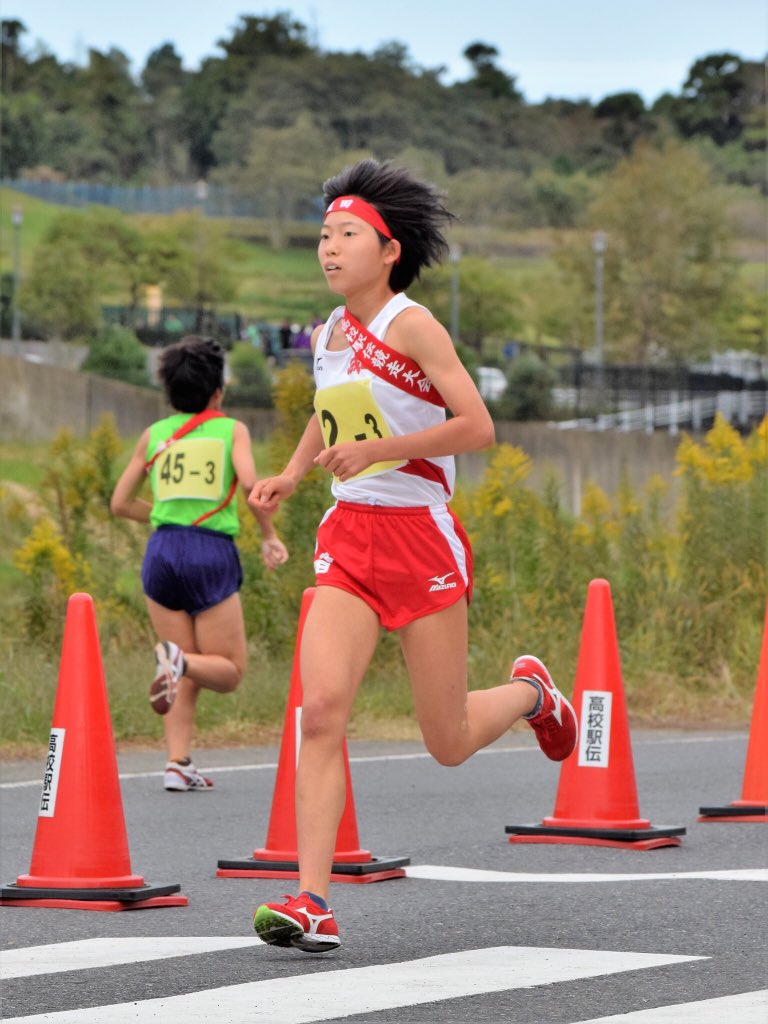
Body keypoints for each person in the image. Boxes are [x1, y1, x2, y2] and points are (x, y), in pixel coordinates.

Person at [247, 159, 577, 953]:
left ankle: (533, 695)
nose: (329, 248)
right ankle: (312, 899)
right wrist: (292, 474)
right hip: (349, 538)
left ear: (388, 249)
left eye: (347, 234)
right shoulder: (325, 331)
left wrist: (384, 449)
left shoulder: (413, 325)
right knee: (320, 712)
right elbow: (331, 415)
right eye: (323, 235)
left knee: (449, 739)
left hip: (421, 537)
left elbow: (477, 427)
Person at [111, 335, 288, 792]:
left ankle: (176, 762)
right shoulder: (232, 430)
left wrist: (166, 515)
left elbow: (119, 502)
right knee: (228, 671)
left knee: (184, 667)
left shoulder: (155, 435)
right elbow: (252, 487)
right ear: (217, 393)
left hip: (162, 553)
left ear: (169, 391)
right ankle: (175, 674)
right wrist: (269, 536)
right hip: (209, 553)